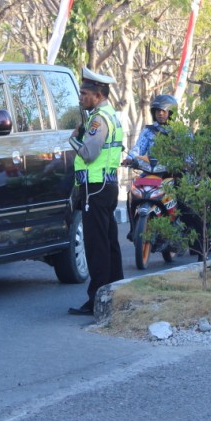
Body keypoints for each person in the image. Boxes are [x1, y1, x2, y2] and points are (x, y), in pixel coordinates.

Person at [67, 67, 125, 317]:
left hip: (95, 188)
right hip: (106, 186)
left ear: (97, 96)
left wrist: (73, 139)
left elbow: (89, 153)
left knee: (96, 246)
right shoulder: (110, 115)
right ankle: (116, 294)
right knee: (110, 242)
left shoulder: (99, 119)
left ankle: (97, 300)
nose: (80, 98)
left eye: (84, 93)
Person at [124, 93, 178, 163]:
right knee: (139, 175)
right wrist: (130, 158)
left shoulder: (181, 133)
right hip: (151, 170)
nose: (160, 113)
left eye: (164, 111)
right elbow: (138, 148)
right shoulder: (148, 131)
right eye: (158, 110)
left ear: (171, 113)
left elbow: (188, 156)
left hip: (173, 172)